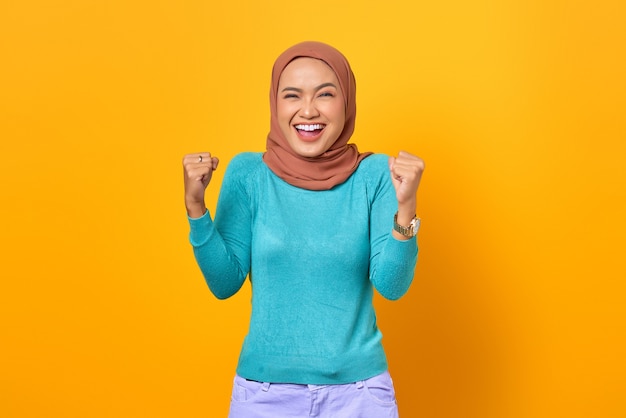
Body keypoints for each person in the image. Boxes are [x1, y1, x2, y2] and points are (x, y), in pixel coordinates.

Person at [182, 41, 425, 418]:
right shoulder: (248, 174)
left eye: (325, 95)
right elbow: (224, 282)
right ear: (274, 104)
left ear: (347, 103)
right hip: (264, 397)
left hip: (359, 397)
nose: (308, 111)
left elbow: (392, 285)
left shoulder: (376, 175)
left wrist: (407, 205)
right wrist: (196, 208)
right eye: (292, 95)